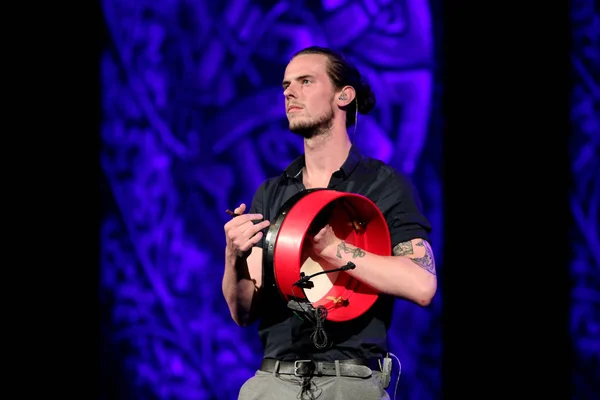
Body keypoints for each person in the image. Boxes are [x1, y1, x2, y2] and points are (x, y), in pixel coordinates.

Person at [222, 46, 437, 400]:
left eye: (306, 81)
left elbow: (422, 284)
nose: (290, 92)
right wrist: (234, 258)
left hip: (350, 383)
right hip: (273, 381)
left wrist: (334, 248)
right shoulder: (271, 193)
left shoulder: (384, 185)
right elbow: (243, 312)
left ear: (344, 95)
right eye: (286, 84)